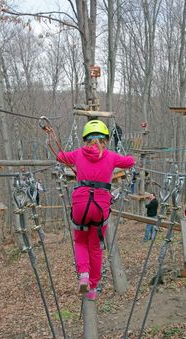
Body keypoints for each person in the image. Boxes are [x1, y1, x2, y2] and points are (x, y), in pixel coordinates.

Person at [57, 119, 135, 300]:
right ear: (105, 140)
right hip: (100, 208)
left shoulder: (78, 154)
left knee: (80, 241)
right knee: (96, 247)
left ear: (86, 140)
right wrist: (128, 156)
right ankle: (92, 287)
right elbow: (129, 162)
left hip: (80, 205)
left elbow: (60, 157)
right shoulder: (111, 156)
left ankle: (83, 275)